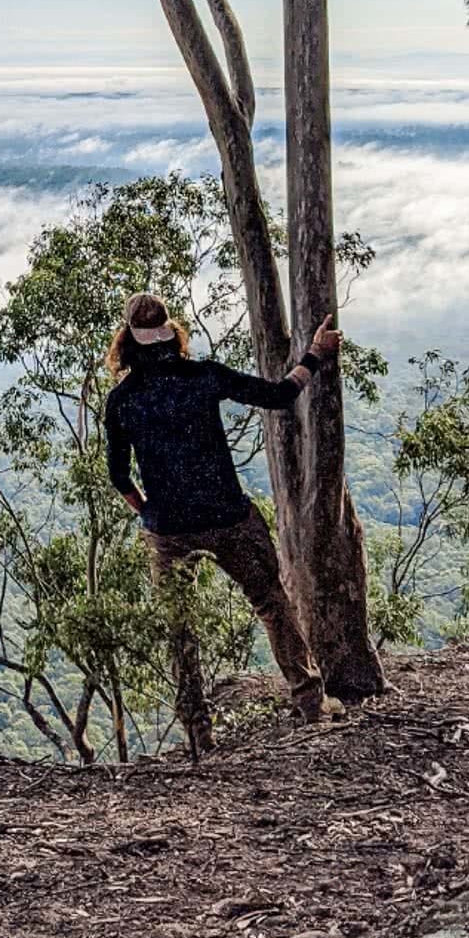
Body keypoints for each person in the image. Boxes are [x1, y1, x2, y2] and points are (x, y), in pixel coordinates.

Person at [104, 292, 346, 752]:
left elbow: (118, 474)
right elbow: (279, 394)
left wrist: (150, 513)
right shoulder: (203, 377)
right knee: (272, 604)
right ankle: (312, 705)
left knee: (181, 630)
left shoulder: (122, 401)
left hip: (169, 530)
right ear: (172, 335)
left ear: (128, 343)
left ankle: (200, 735)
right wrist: (315, 354)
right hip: (228, 517)